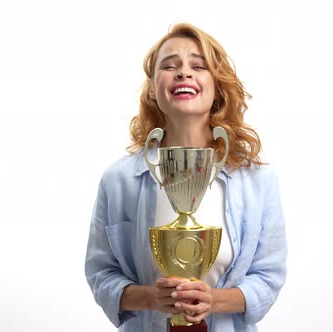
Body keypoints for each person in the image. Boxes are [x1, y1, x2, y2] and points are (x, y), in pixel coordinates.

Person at [85, 22, 287, 332]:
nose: (183, 72)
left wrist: (214, 301)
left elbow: (268, 275)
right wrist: (151, 298)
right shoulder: (118, 179)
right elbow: (101, 273)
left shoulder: (256, 178)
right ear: (153, 87)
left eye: (198, 65)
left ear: (216, 85)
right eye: (169, 65)